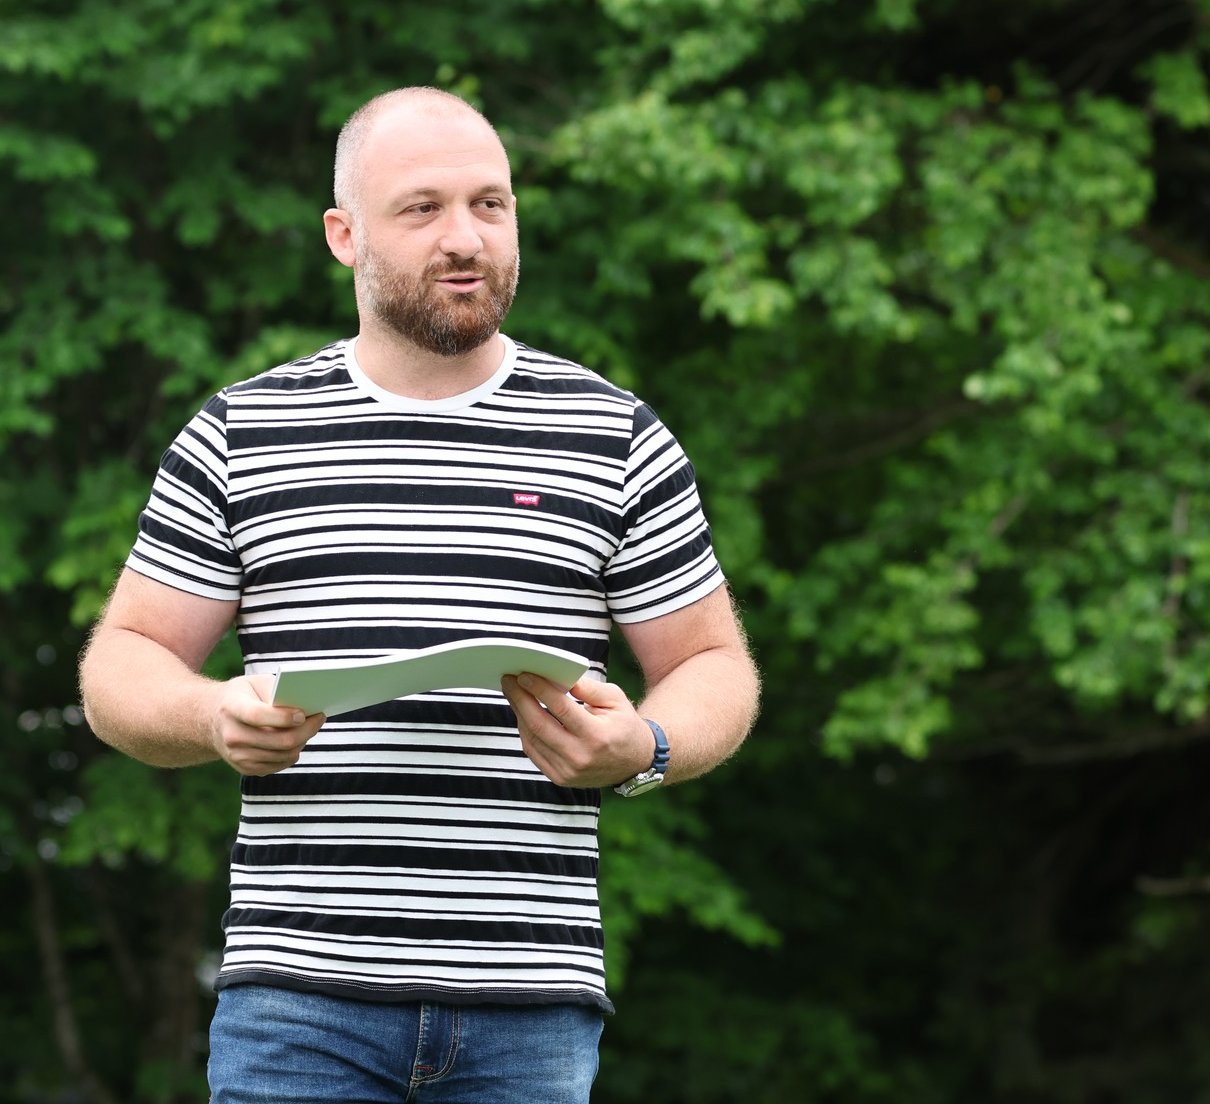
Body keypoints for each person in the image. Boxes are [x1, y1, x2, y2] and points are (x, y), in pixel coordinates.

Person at [80, 86, 760, 1104]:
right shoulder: (244, 432)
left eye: (490, 204)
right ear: (343, 235)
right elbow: (120, 667)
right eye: (422, 208)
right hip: (298, 1000)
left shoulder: (613, 433)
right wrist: (213, 713)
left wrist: (645, 748)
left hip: (530, 1004)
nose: (466, 238)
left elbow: (713, 665)